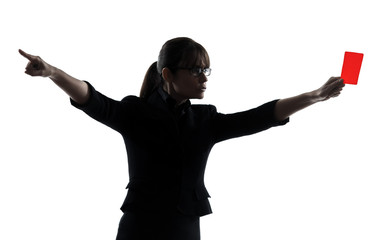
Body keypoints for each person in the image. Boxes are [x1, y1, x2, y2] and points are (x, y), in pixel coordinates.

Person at [19, 37, 345, 240]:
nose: (204, 77)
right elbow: (93, 99)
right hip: (140, 226)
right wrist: (54, 73)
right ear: (167, 75)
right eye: (195, 70)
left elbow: (260, 116)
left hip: (186, 225)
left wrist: (315, 95)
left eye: (207, 70)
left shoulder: (205, 120)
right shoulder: (136, 113)